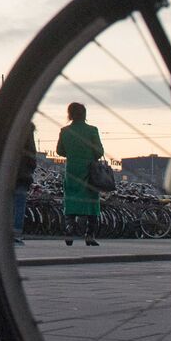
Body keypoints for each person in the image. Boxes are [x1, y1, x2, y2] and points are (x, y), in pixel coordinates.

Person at [58, 102, 105, 246]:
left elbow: (60, 151)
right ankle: (89, 235)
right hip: (90, 171)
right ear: (84, 114)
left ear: (70, 114)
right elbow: (99, 151)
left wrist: (72, 154)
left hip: (72, 170)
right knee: (91, 203)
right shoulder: (92, 130)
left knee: (71, 201)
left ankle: (69, 228)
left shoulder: (65, 131)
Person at [12, 118, 37, 246]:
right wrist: (31, 168)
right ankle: (16, 235)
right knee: (19, 205)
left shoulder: (5, 127)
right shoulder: (27, 129)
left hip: (5, 174)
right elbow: (31, 154)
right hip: (22, 175)